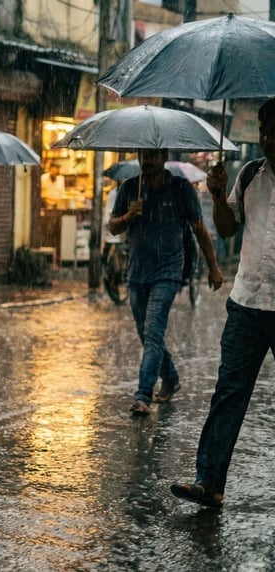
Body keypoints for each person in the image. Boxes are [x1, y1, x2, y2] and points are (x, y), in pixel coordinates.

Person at [170, 97, 275, 509]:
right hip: (247, 303)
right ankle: (209, 482)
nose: (266, 137)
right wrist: (215, 196)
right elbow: (228, 229)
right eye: (264, 129)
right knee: (229, 393)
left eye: (273, 129)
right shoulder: (250, 175)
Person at [108, 148, 222, 416]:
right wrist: (128, 216)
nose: (148, 161)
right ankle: (170, 377)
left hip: (168, 270)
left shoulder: (180, 188)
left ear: (164, 157)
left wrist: (213, 267)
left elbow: (199, 228)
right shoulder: (129, 189)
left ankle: (142, 395)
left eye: (154, 156)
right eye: (144, 156)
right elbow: (113, 227)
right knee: (146, 333)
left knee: (153, 330)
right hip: (137, 271)